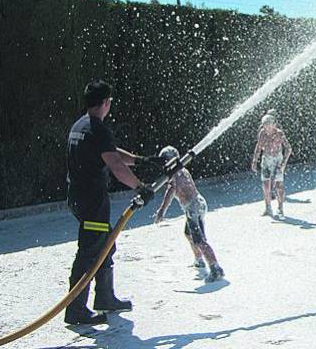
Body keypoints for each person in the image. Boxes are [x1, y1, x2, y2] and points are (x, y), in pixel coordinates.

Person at [65, 80, 155, 325]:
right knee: (90, 251)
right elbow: (114, 165)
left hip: (78, 197)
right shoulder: (98, 128)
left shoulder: (82, 125)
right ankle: (75, 311)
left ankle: (105, 298)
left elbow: (111, 152)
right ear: (106, 102)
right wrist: (140, 187)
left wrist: (140, 160)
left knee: (104, 244)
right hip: (92, 199)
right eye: (110, 101)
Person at [154, 146, 224, 283]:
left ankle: (216, 268)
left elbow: (171, 191)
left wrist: (162, 211)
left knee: (199, 240)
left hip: (193, 207)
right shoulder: (182, 170)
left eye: (164, 160)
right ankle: (199, 260)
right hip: (198, 203)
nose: (163, 164)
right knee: (188, 233)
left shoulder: (174, 174)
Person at [252, 113, 293, 218]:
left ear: (274, 124)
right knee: (266, 186)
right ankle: (268, 208)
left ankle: (280, 208)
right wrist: (254, 161)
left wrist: (283, 164)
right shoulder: (262, 133)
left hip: (277, 161)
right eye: (265, 125)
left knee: (279, 186)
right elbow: (259, 147)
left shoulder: (279, 133)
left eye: (269, 124)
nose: (267, 127)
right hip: (266, 160)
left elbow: (288, 148)